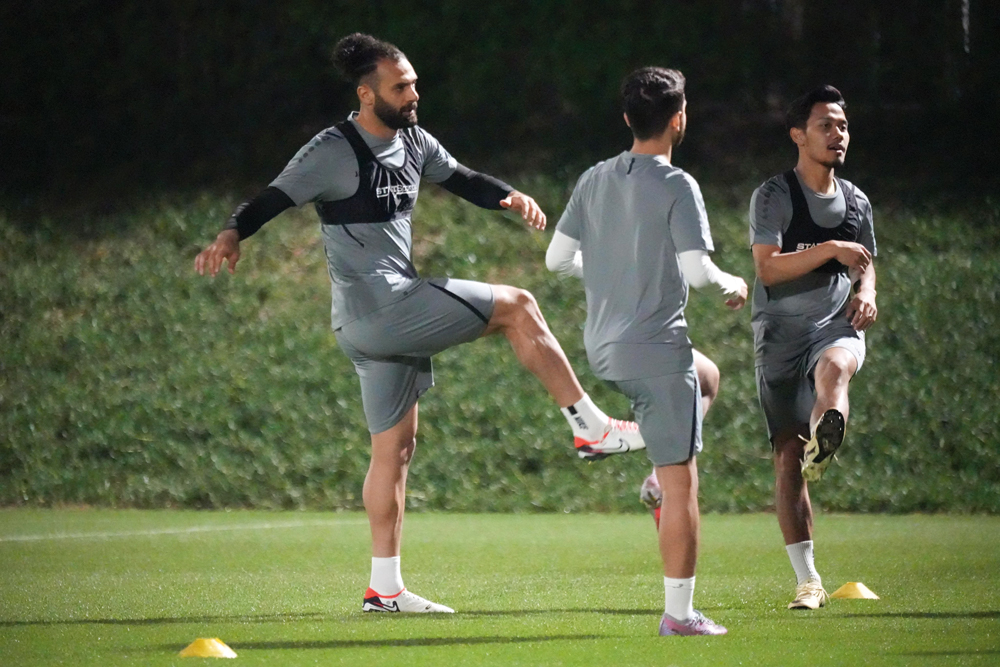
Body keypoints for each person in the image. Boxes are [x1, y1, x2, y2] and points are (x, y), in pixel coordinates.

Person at [194, 33, 645, 614]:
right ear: (366, 93)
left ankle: (384, 589)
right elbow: (272, 198)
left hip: (370, 325)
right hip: (382, 309)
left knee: (395, 451)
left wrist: (509, 196)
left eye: (413, 83)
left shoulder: (413, 141)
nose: (413, 93)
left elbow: (461, 179)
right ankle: (591, 427)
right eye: (400, 85)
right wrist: (233, 231)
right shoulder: (333, 149)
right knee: (518, 305)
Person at [546, 66, 747, 637]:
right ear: (679, 118)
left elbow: (555, 262)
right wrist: (731, 281)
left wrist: (609, 274)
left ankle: (652, 472)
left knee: (707, 375)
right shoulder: (678, 185)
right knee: (685, 483)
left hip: (603, 349)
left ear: (627, 118)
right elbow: (697, 270)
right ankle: (679, 616)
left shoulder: (593, 178)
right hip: (656, 353)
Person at [748, 85, 877, 610]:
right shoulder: (774, 195)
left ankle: (826, 438)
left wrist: (866, 293)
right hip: (779, 335)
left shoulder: (857, 201)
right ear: (798, 134)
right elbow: (768, 267)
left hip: (834, 323)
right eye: (826, 125)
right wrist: (829, 250)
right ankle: (808, 581)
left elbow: (867, 262)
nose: (837, 134)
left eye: (843, 125)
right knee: (784, 457)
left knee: (836, 367)